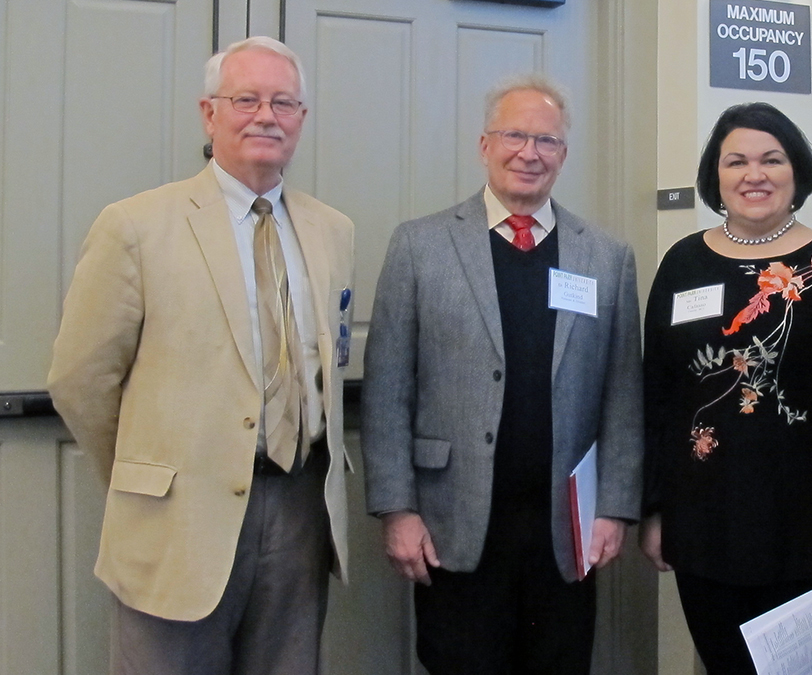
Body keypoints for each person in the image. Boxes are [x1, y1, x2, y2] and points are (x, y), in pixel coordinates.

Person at [46, 37, 354, 675]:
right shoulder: (135, 226)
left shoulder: (333, 231)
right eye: (246, 99)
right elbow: (80, 379)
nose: (266, 115)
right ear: (208, 114)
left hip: (298, 513)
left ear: (301, 119)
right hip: (176, 522)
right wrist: (148, 474)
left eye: (284, 102)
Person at [360, 76, 643, 675]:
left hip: (566, 531)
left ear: (563, 155)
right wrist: (396, 510)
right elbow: (387, 390)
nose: (530, 152)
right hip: (452, 522)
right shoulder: (419, 246)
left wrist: (615, 508)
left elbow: (623, 395)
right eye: (515, 135)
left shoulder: (607, 258)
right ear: (484, 144)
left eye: (547, 140)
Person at [639, 102, 812, 674]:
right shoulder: (681, 265)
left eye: (771, 159)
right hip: (702, 527)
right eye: (737, 161)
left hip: (806, 536)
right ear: (716, 176)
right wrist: (654, 510)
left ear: (796, 171)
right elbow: (656, 396)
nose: (755, 174)